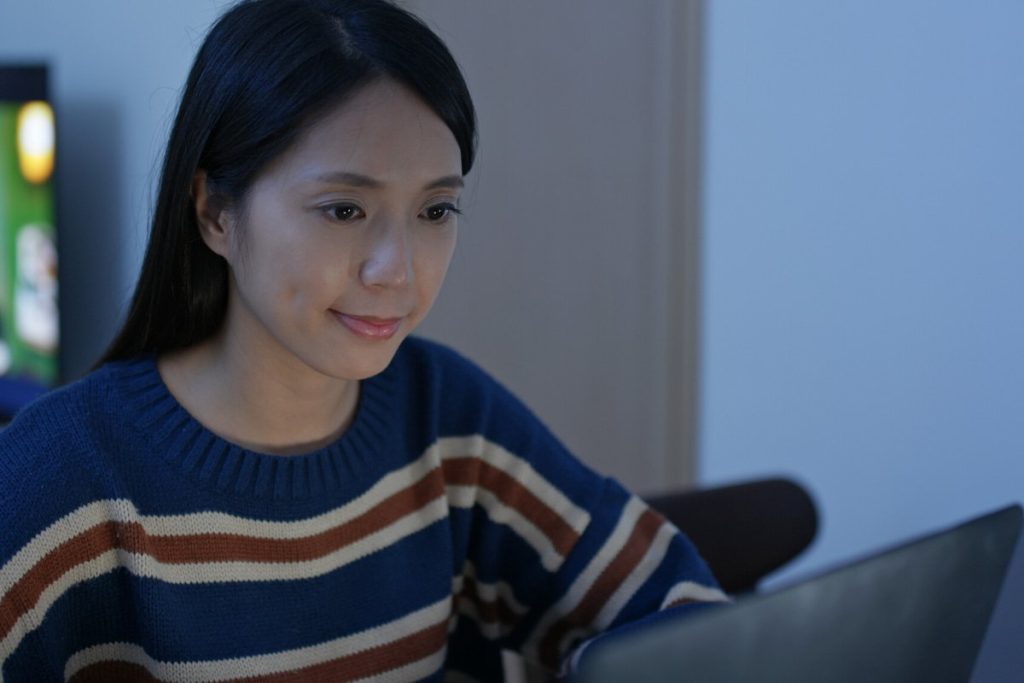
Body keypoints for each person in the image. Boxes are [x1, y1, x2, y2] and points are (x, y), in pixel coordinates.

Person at [0, 1, 726, 680]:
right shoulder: (60, 478)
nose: (397, 270)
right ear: (216, 212)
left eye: (435, 210)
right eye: (344, 209)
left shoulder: (446, 419)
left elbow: (686, 614)